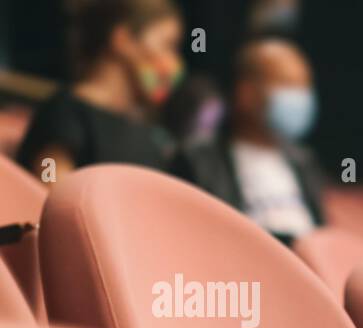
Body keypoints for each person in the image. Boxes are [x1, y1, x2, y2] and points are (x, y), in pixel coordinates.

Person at [172, 38, 325, 242]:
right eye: (287, 83)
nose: (300, 96)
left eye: (304, 85)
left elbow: (323, 236)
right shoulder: (198, 160)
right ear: (246, 92)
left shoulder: (303, 161)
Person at [17, 0, 184, 182]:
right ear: (123, 40)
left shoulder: (146, 130)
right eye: (168, 45)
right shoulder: (65, 113)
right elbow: (51, 192)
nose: (173, 63)